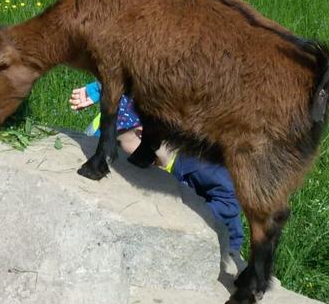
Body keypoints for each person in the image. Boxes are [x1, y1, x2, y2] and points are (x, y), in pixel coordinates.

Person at [69, 81, 245, 266]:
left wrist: (196, 218)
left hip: (224, 247)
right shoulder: (134, 124)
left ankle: (233, 254)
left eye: (120, 146)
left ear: (142, 135)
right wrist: (96, 89)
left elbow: (228, 198)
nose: (122, 159)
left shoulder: (202, 165)